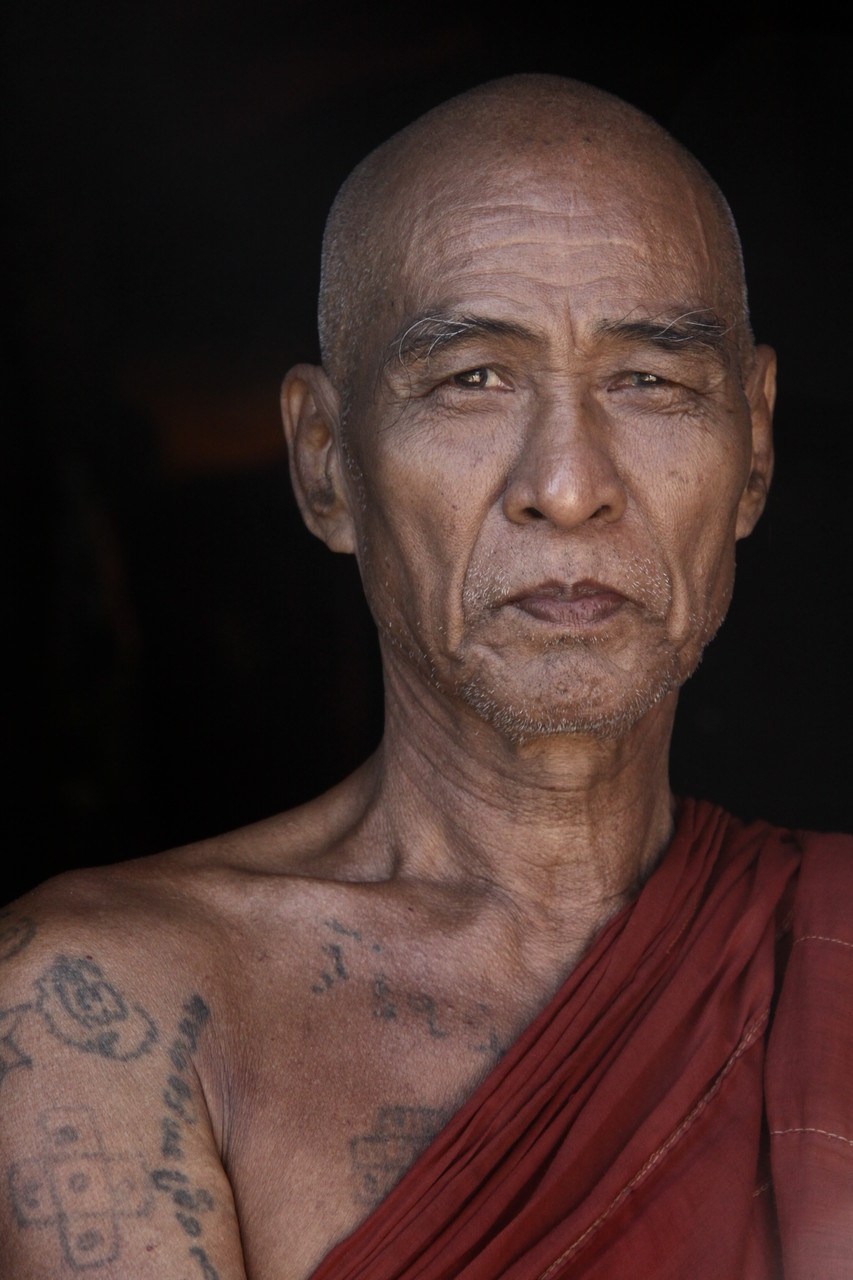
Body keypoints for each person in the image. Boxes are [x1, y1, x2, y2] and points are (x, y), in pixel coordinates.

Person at [1, 73, 850, 1280]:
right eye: (472, 379)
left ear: (753, 448)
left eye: (650, 380)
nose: (566, 483)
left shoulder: (835, 954)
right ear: (325, 463)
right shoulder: (100, 1007)